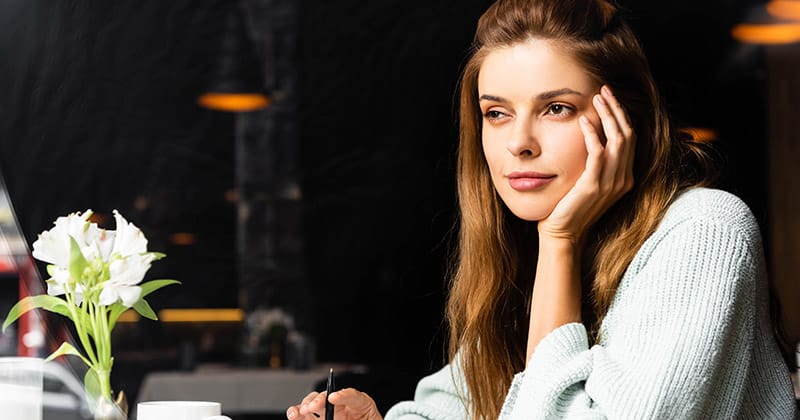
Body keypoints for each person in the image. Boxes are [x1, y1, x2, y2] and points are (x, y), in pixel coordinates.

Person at [287, 0, 798, 418]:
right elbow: (453, 406)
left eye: (556, 108)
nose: (519, 143)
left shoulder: (704, 230)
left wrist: (559, 245)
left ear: (625, 119)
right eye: (496, 113)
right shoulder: (531, 243)